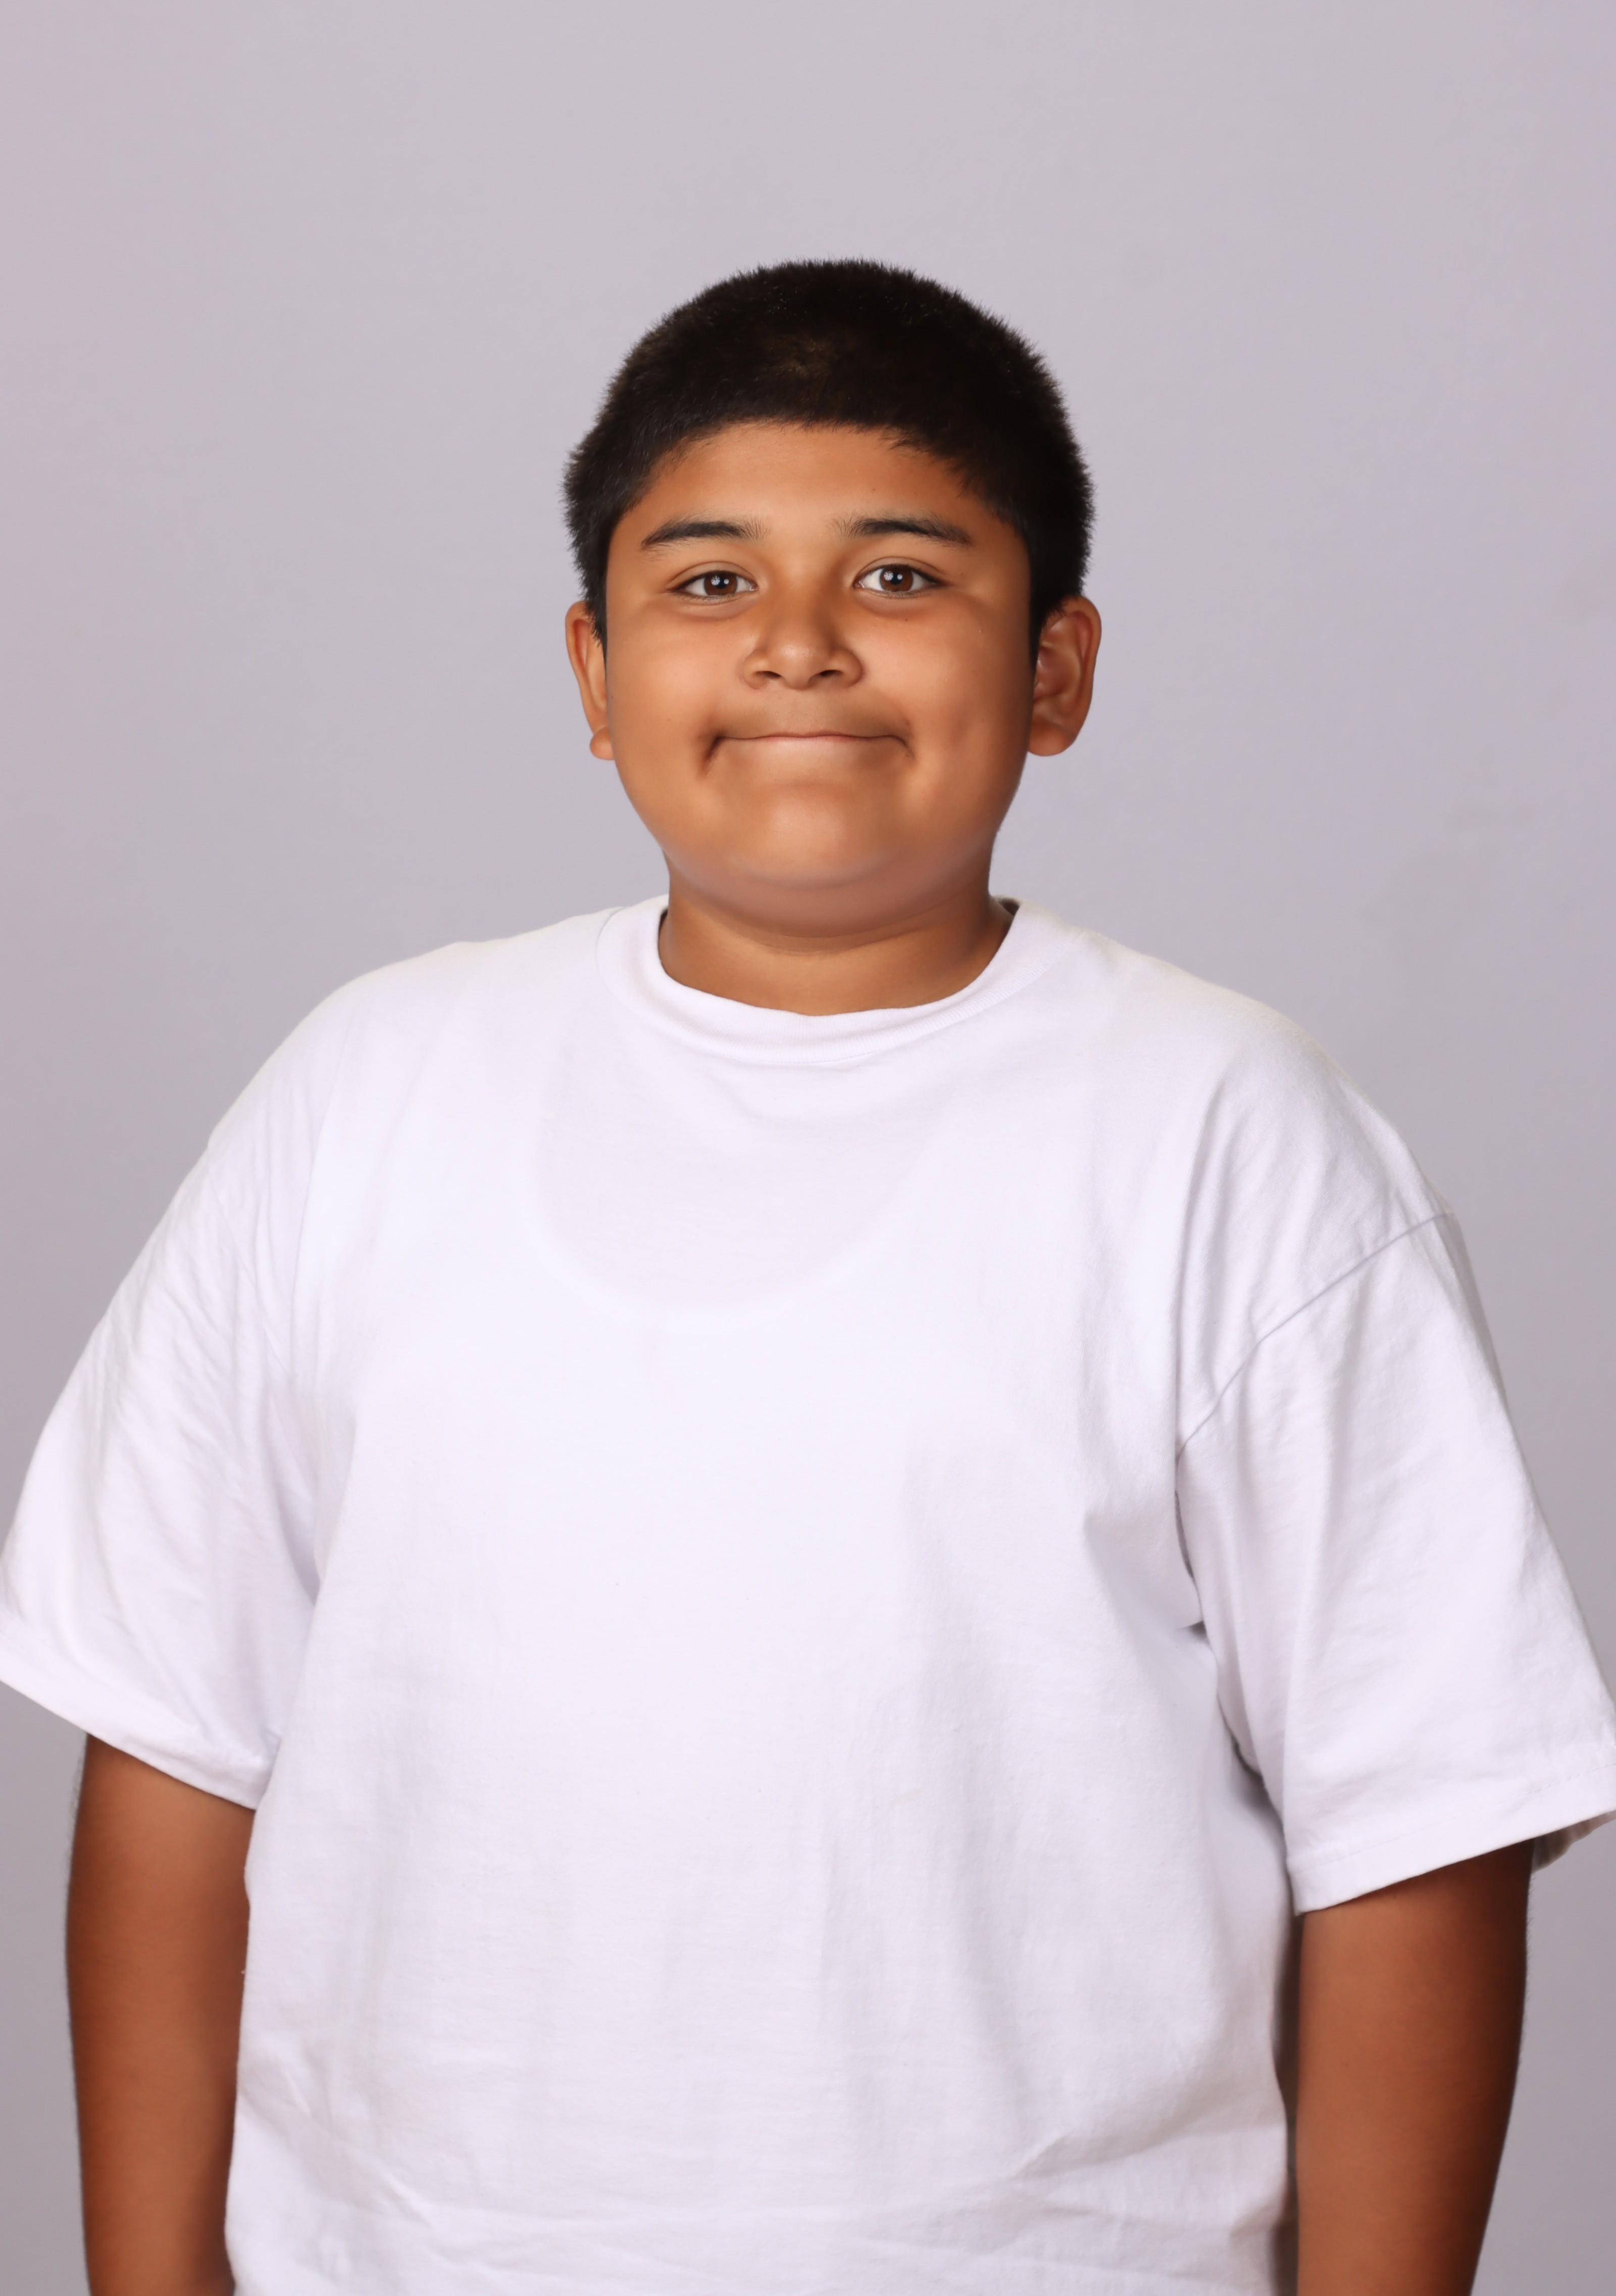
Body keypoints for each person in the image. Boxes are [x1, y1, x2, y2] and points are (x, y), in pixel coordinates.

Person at [2, 261, 1612, 2296]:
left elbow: (1419, 1829)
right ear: (593, 673)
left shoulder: (1231, 1138)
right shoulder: (365, 1096)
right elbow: (173, 1750)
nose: (795, 645)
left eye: (900, 578)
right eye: (707, 582)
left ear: (1054, 668)